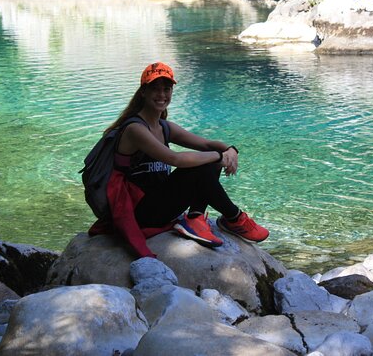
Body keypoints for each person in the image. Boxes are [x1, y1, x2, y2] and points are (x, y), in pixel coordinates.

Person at [90, 61, 269, 258]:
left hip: (158, 202)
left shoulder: (164, 126)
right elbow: (175, 158)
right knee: (205, 164)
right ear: (143, 92)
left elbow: (208, 144)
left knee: (207, 161)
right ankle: (234, 218)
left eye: (166, 89)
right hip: (139, 212)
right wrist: (220, 157)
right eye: (155, 89)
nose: (162, 95)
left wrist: (230, 150)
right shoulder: (135, 129)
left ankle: (195, 217)